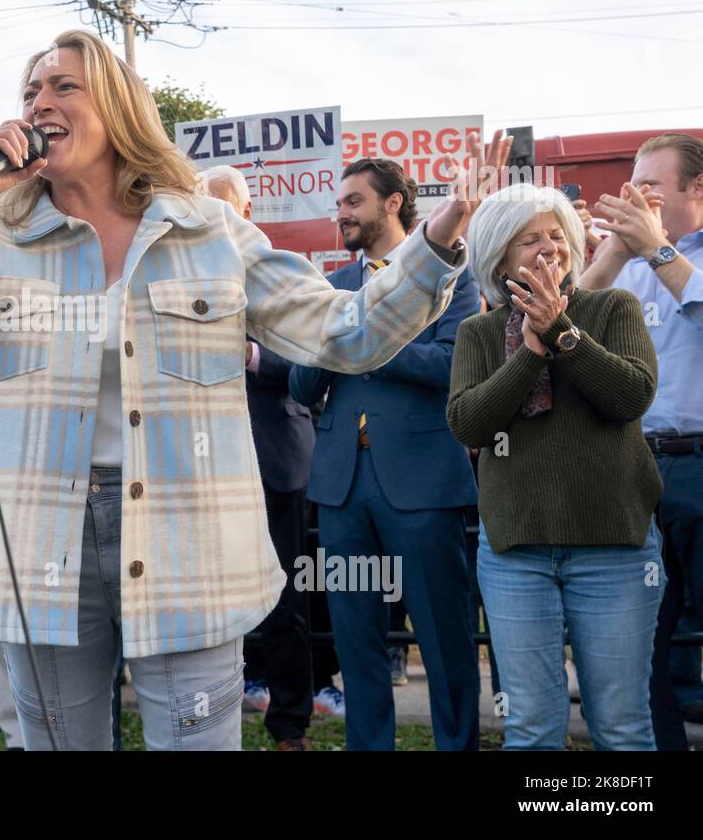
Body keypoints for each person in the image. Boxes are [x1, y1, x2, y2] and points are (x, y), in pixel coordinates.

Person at [0, 29, 475, 751]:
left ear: (121, 108)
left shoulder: (209, 230)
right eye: (30, 90)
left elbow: (342, 332)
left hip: (184, 531)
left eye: (64, 85)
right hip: (40, 541)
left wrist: (433, 248)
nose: (39, 102)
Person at [447, 183, 663, 750]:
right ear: (499, 256)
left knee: (620, 725)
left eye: (556, 234)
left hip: (615, 548)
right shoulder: (479, 332)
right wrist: (531, 353)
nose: (551, 246)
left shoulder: (613, 308)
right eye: (529, 238)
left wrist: (563, 335)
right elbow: (470, 425)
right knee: (531, 728)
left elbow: (631, 397)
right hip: (516, 552)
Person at [290, 156, 483, 751]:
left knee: (445, 637)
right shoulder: (333, 287)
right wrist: (323, 342)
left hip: (422, 487)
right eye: (339, 203)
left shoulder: (453, 275)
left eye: (353, 202)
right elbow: (301, 389)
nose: (340, 213)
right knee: (356, 641)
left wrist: (365, 342)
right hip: (343, 491)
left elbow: (456, 366)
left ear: (393, 203)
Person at [581, 132, 703, 750]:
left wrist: (658, 251)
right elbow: (564, 327)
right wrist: (611, 254)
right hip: (635, 467)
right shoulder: (626, 260)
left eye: (652, 185)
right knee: (640, 640)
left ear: (696, 188)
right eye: (635, 184)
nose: (638, 196)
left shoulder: (673, 257)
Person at [206, 164, 319, 748]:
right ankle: (217, 709)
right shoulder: (181, 269)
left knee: (284, 600)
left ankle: (290, 724)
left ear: (246, 213)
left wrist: (249, 353)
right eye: (206, 206)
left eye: (226, 206)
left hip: (273, 458)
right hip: (204, 466)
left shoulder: (277, 274)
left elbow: (308, 361)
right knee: (211, 597)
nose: (216, 218)